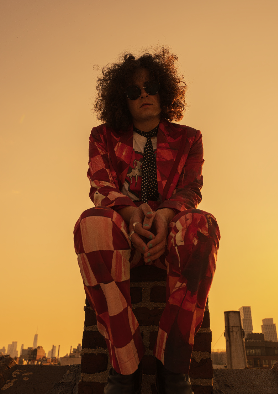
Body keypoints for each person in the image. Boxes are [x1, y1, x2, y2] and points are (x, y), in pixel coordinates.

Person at [73, 47, 220, 394]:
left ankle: (174, 367)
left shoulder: (189, 138)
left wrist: (165, 216)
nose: (143, 95)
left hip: (172, 234)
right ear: (121, 100)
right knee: (90, 223)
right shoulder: (102, 136)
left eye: (150, 86)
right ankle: (125, 365)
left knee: (202, 225)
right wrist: (132, 215)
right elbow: (100, 185)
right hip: (121, 234)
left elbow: (191, 189)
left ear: (164, 91)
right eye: (132, 91)